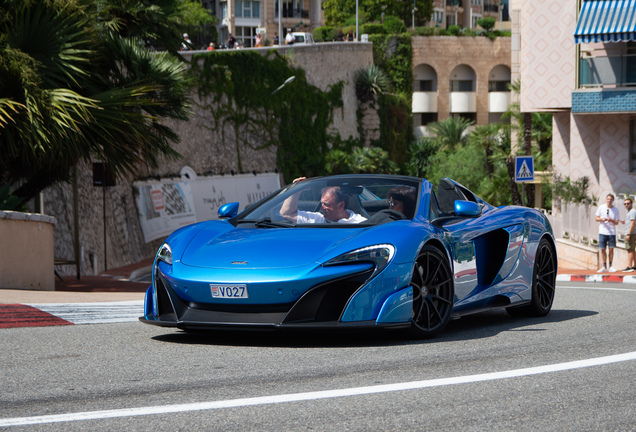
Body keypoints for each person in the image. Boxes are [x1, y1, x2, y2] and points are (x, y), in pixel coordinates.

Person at [280, 177, 366, 224]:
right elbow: (286, 213)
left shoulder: (360, 223)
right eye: (321, 203)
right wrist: (296, 190)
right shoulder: (318, 219)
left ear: (341, 205)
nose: (321, 208)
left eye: (326, 204)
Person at [595, 193, 620, 272]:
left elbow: (617, 222)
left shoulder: (616, 210)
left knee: (611, 249)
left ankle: (611, 266)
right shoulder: (601, 207)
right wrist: (602, 219)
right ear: (606, 199)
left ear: (613, 200)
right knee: (602, 249)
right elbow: (596, 218)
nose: (609, 200)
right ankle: (604, 266)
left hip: (611, 232)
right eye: (608, 199)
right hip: (602, 231)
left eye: (611, 199)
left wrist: (611, 220)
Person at [622, 197, 636, 271]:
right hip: (632, 233)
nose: (626, 205)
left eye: (628, 203)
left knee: (630, 250)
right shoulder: (630, 212)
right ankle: (634, 266)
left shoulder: (632, 211)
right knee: (632, 250)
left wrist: (628, 234)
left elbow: (633, 223)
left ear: (631, 204)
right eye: (625, 204)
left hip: (631, 234)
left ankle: (630, 266)